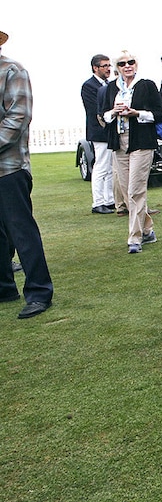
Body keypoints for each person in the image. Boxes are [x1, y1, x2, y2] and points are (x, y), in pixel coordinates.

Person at [0, 28, 56, 319]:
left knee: (22, 232)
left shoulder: (12, 70)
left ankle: (39, 292)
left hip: (9, 168)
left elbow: (18, 117)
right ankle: (4, 288)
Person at [99, 51, 162, 253]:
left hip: (142, 142)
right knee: (127, 190)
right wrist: (114, 111)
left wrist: (137, 113)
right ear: (116, 67)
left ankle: (134, 238)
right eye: (122, 63)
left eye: (131, 62)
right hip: (119, 142)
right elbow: (102, 116)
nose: (127, 66)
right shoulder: (111, 88)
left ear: (136, 64)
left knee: (136, 189)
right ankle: (147, 229)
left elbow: (159, 113)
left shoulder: (147, 85)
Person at [81, 54, 115, 213]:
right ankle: (98, 202)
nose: (109, 68)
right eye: (105, 66)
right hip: (99, 130)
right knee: (101, 166)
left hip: (108, 130)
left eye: (109, 65)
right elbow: (96, 109)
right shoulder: (89, 86)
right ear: (95, 68)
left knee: (109, 167)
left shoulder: (108, 84)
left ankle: (109, 200)